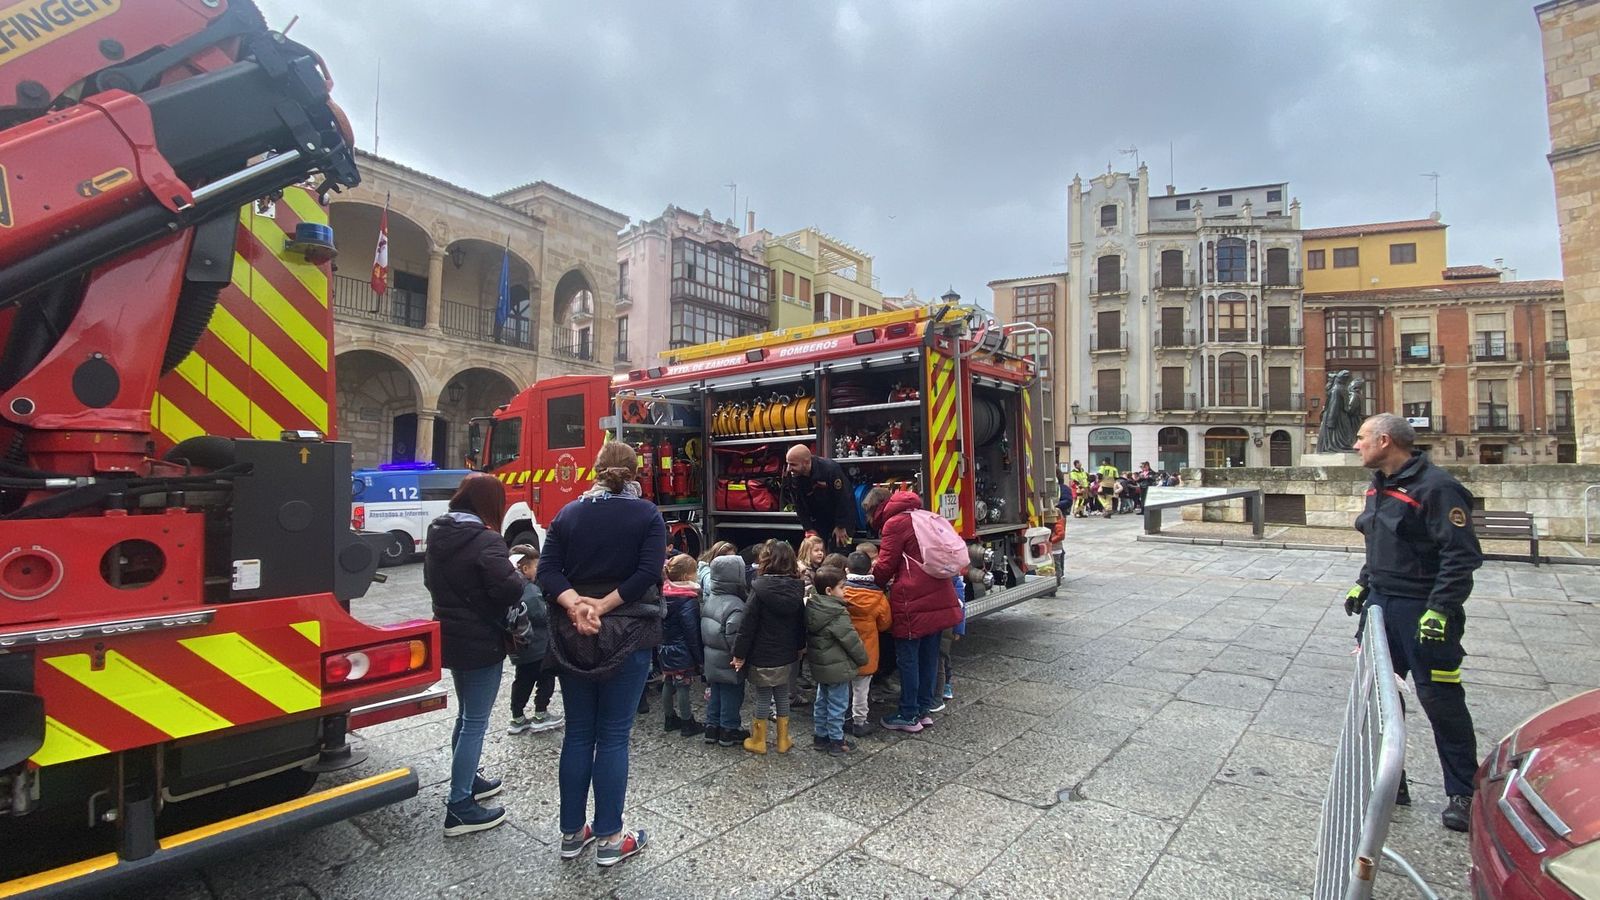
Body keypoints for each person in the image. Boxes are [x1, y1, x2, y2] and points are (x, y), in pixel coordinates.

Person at [1345, 413, 1483, 833]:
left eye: (1362, 437)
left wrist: (1441, 608)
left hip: (1423, 610)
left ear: (1385, 441)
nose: (1356, 445)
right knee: (1381, 700)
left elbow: (1461, 556)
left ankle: (1463, 792)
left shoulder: (1438, 488)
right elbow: (1381, 542)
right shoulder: (1379, 486)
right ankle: (1392, 783)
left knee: (1440, 699)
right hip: (1382, 607)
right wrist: (1363, 584)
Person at [535, 441, 665, 868]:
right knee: (612, 737)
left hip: (574, 634)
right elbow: (648, 572)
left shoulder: (568, 513)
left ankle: (572, 834)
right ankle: (610, 838)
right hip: (628, 631)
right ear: (634, 474)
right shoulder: (646, 514)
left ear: (595, 470)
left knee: (577, 735)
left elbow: (547, 569)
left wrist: (577, 605)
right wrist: (603, 606)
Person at [424, 473, 525, 837]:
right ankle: (460, 806)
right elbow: (510, 589)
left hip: (449, 635)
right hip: (481, 640)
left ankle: (466, 780)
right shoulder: (486, 540)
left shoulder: (438, 532)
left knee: (466, 714)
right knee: (475, 722)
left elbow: (429, 582)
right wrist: (514, 570)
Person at [862, 486, 963, 733]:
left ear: (877, 508)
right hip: (939, 593)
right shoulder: (922, 515)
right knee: (929, 655)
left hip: (912, 599)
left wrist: (867, 578)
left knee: (908, 658)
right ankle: (923, 710)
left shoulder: (894, 523)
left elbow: (886, 565)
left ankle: (907, 714)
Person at [730, 541, 807, 754]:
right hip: (787, 652)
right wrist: (800, 647)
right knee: (783, 693)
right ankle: (783, 739)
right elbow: (801, 621)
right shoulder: (797, 589)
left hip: (762, 653)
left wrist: (739, 654)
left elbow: (747, 625)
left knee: (763, 695)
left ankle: (759, 740)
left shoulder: (759, 589)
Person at [806, 566, 868, 756]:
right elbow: (850, 639)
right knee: (838, 704)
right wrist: (863, 659)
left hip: (821, 666)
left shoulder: (813, 606)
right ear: (829, 591)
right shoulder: (836, 613)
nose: (845, 591)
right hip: (838, 667)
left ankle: (820, 736)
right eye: (842, 587)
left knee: (821, 701)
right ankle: (836, 740)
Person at [506, 544, 563, 736]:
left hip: (520, 649)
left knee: (521, 681)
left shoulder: (511, 587)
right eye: (536, 566)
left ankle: (517, 717)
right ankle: (540, 714)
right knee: (546, 679)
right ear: (525, 568)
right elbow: (541, 614)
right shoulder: (529, 590)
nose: (538, 570)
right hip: (538, 647)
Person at [700, 555, 750, 747]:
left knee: (716, 692)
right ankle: (729, 729)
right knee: (732, 693)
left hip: (711, 656)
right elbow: (735, 636)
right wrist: (740, 655)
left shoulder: (711, 598)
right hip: (729, 660)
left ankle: (712, 727)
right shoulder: (736, 605)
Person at [842, 552, 891, 737]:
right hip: (867, 650)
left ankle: (842, 718)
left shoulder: (842, 591)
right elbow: (885, 623)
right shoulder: (877, 596)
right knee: (861, 689)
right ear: (870, 569)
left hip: (843, 649)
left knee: (843, 686)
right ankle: (859, 722)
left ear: (847, 570)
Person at [659, 553, 704, 737]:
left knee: (668, 682)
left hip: (665, 648)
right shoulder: (687, 600)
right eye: (695, 573)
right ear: (686, 577)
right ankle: (687, 722)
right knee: (684, 685)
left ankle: (669, 718)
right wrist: (699, 658)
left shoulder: (663, 594)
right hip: (682, 651)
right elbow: (691, 632)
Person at [782, 444, 856, 550]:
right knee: (816, 553)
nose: (789, 468)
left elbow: (844, 498)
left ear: (806, 462)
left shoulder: (830, 469)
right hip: (818, 519)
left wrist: (841, 525)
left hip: (841, 517)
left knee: (841, 553)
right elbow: (798, 505)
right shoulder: (792, 476)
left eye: (793, 465)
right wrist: (808, 528)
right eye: (788, 464)